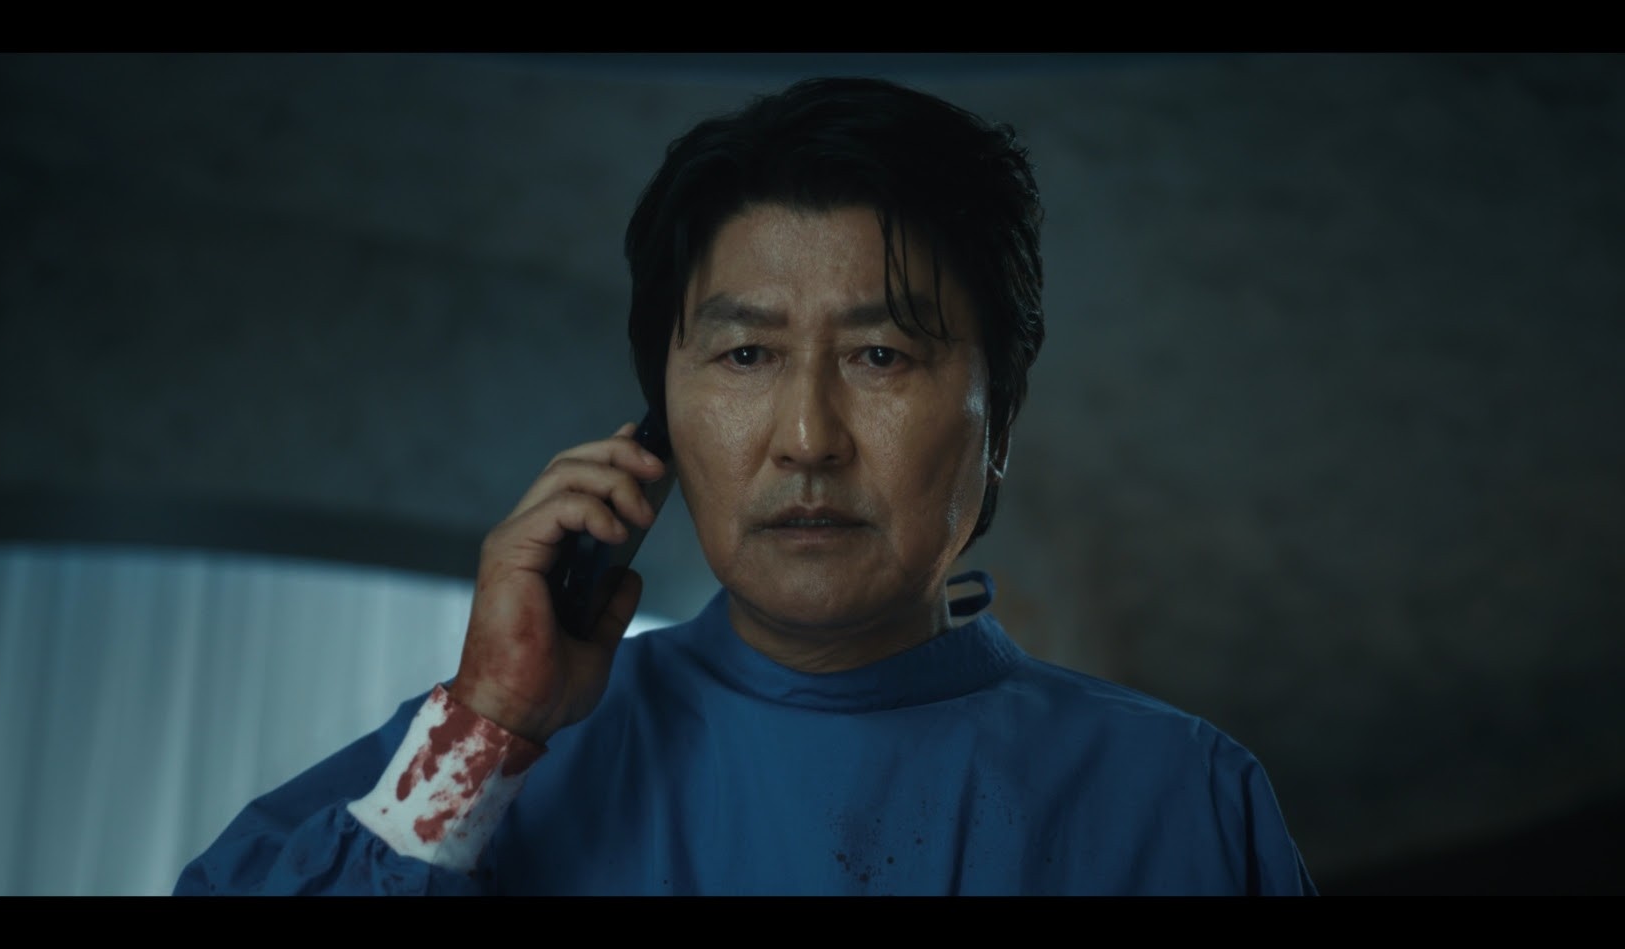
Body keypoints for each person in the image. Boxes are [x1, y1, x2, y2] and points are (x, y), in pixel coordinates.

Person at [176, 76, 1317, 896]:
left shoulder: (1183, 795)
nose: (807, 438)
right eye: (745, 355)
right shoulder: (497, 753)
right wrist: (489, 727)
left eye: (880, 355)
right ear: (659, 422)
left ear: (1000, 419)